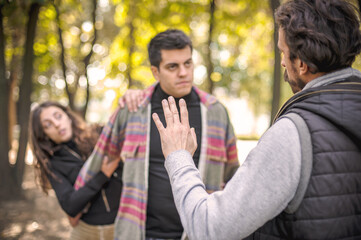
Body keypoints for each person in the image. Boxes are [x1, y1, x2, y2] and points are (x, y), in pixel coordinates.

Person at [152, 0, 361, 239]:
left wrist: (179, 156)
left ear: (302, 64)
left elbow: (210, 228)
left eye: (283, 52)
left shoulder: (293, 133)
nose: (282, 61)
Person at [78, 29, 239, 240]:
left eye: (188, 63)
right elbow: (101, 157)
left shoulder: (216, 113)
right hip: (137, 233)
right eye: (173, 66)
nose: (183, 72)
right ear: (155, 71)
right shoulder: (133, 110)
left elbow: (233, 175)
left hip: (198, 234)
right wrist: (76, 204)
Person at [29, 101, 123, 240]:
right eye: (47, 125)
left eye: (58, 116)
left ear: (68, 116)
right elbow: (70, 205)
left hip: (123, 225)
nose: (56, 124)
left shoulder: (99, 134)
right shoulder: (53, 163)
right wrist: (103, 175)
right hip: (86, 231)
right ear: (44, 135)